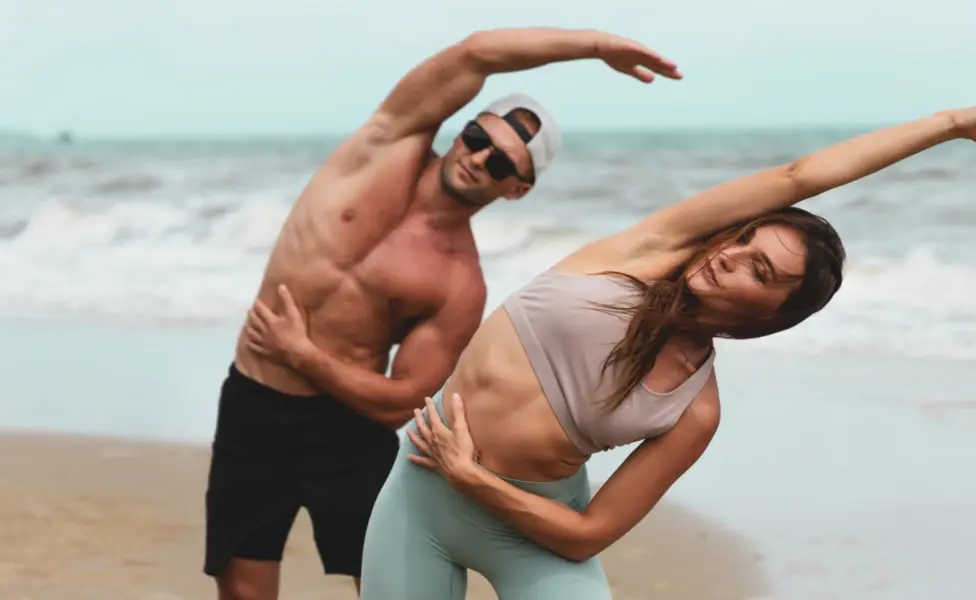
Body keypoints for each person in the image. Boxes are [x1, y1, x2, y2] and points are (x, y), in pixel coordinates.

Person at [249, 93, 976, 599]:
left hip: (530, 523)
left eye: (760, 268)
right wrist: (952, 123)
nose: (730, 253)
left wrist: (476, 477)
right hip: (422, 500)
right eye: (744, 240)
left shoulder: (695, 410)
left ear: (776, 311)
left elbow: (587, 536)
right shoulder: (648, 249)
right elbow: (797, 177)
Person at [208, 27, 683, 600]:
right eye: (478, 136)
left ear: (517, 189)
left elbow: (402, 400)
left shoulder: (459, 284)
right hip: (253, 405)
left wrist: (304, 355)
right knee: (243, 589)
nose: (480, 157)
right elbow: (475, 53)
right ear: (461, 130)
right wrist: (593, 48)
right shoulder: (382, 148)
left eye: (503, 162)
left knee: (385, 587)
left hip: (346, 432)